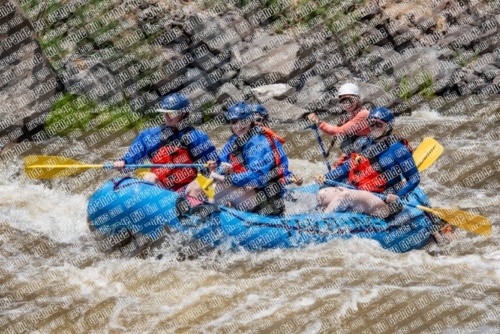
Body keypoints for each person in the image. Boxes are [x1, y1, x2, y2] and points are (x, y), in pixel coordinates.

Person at [316, 107, 420, 219]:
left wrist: (398, 196)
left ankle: (321, 223)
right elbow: (348, 167)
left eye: (379, 125)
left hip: (383, 202)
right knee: (323, 195)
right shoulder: (363, 143)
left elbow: (414, 177)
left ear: (388, 127)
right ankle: (323, 217)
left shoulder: (398, 149)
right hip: (358, 193)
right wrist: (326, 177)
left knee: (346, 196)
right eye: (371, 123)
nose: (374, 127)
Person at [113, 93, 219, 197]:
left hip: (185, 191)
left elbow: (214, 168)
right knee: (148, 177)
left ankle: (190, 210)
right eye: (165, 113)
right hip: (160, 189)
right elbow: (134, 154)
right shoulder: (152, 136)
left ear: (183, 113)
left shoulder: (197, 138)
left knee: (198, 184)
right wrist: (124, 162)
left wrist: (212, 169)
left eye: (171, 113)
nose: (167, 116)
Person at [206, 102, 289, 215]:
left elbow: (258, 176)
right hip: (248, 193)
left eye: (243, 121)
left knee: (218, 187)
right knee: (204, 183)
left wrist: (225, 178)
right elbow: (220, 164)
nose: (239, 125)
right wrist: (217, 168)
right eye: (234, 122)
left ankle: (210, 220)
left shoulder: (258, 143)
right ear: (230, 124)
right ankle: (209, 212)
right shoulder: (235, 141)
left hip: (267, 201)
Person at [307, 83, 371, 168]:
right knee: (347, 141)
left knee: (360, 141)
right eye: (344, 101)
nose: (347, 104)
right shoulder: (346, 117)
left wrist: (318, 121)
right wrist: (336, 167)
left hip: (368, 152)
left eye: (351, 100)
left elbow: (338, 131)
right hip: (354, 154)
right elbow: (346, 150)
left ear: (357, 99)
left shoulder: (363, 114)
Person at [251, 104, 303, 186]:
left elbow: (282, 170)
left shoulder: (274, 143)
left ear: (265, 123)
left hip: (270, 186)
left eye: (258, 119)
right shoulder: (238, 143)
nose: (254, 123)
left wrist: (293, 178)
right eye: (250, 120)